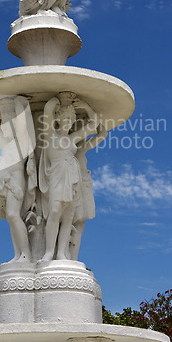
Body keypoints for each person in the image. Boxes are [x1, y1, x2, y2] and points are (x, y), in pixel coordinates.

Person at [39, 94, 98, 261]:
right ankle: (49, 252)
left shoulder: (72, 138)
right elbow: (47, 113)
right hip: (57, 177)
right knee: (55, 211)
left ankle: (61, 253)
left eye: (70, 119)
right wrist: (56, 100)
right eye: (65, 118)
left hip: (73, 179)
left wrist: (86, 106)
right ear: (58, 119)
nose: (67, 121)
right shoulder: (50, 134)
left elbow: (93, 125)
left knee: (68, 217)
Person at [0, 96, 36, 263]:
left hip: (16, 180)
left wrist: (20, 105)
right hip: (6, 181)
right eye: (2, 123)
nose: (3, 127)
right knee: (10, 217)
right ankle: (18, 254)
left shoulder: (20, 142)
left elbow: (23, 127)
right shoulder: (7, 145)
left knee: (13, 214)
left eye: (5, 123)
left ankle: (26, 254)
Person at [70, 124, 108, 261]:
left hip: (83, 187)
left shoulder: (81, 147)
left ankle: (72, 258)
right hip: (73, 187)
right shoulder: (73, 147)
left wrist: (94, 115)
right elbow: (102, 134)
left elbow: (103, 133)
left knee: (79, 222)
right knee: (72, 222)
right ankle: (68, 257)